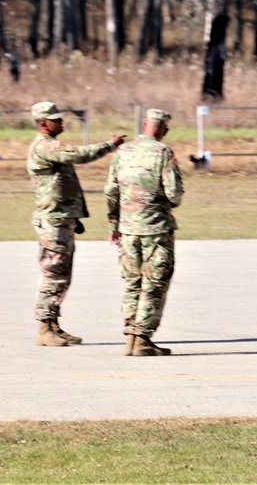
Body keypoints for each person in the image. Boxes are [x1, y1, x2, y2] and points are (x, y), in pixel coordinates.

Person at [27, 101, 125, 346]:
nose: (62, 122)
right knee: (53, 274)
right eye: (56, 119)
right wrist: (109, 145)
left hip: (61, 219)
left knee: (62, 274)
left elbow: (63, 186)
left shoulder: (48, 146)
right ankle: (43, 328)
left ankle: (53, 325)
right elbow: (79, 154)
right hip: (53, 221)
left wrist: (75, 217)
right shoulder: (45, 146)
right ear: (43, 123)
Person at [105, 109, 184, 356]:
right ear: (164, 130)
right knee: (154, 283)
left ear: (144, 125)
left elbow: (110, 191)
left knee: (132, 282)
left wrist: (114, 224)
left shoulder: (122, 151)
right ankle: (142, 338)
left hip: (127, 230)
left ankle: (130, 335)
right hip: (155, 229)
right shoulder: (163, 153)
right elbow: (174, 193)